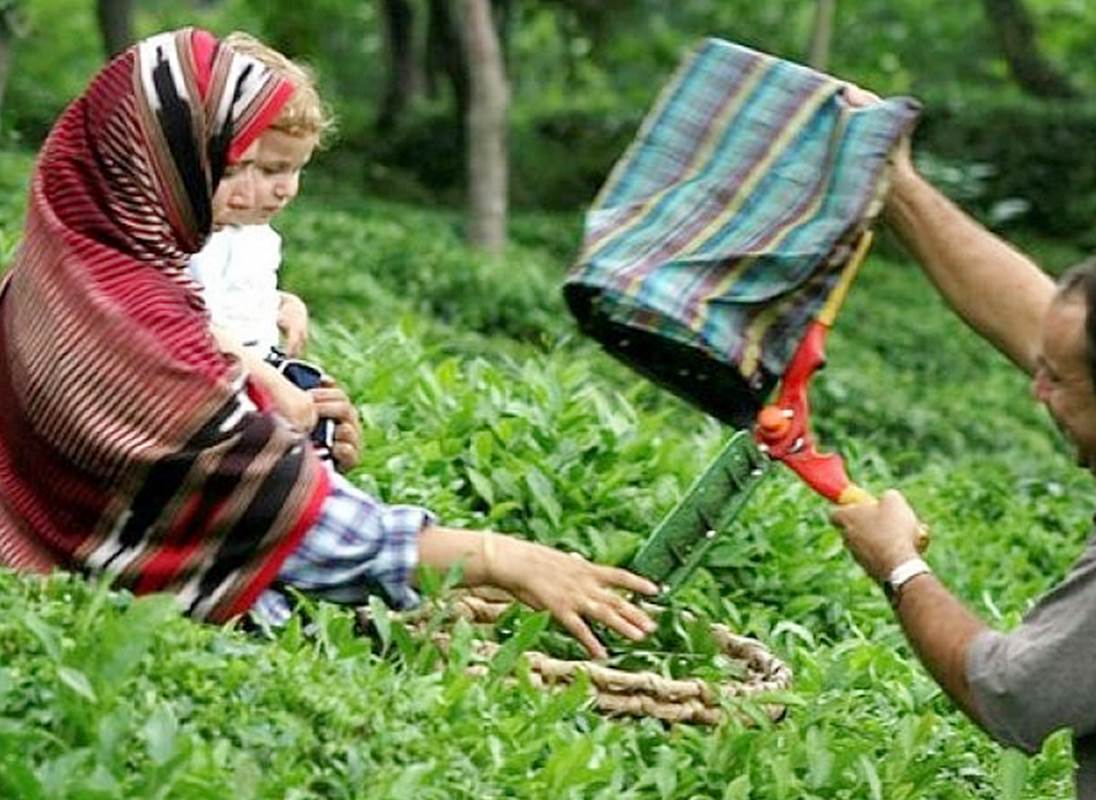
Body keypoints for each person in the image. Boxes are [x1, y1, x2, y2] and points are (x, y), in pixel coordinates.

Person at [0, 28, 656, 661]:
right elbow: (265, 504)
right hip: (108, 584)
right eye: (236, 163)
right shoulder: (131, 320)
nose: (265, 187)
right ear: (169, 156)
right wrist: (492, 556)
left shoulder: (75, 258)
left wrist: (290, 416)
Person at [830, 86, 1096, 798]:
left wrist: (897, 565)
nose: (1036, 391)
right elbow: (1039, 323)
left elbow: (1013, 695)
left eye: (1055, 381)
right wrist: (896, 186)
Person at [186, 32, 333, 449]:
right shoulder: (199, 237)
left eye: (296, 170)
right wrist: (271, 383)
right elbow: (191, 320)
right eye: (269, 170)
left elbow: (242, 296)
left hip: (266, 362)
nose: (285, 189)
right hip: (223, 381)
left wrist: (284, 303)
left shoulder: (258, 234)